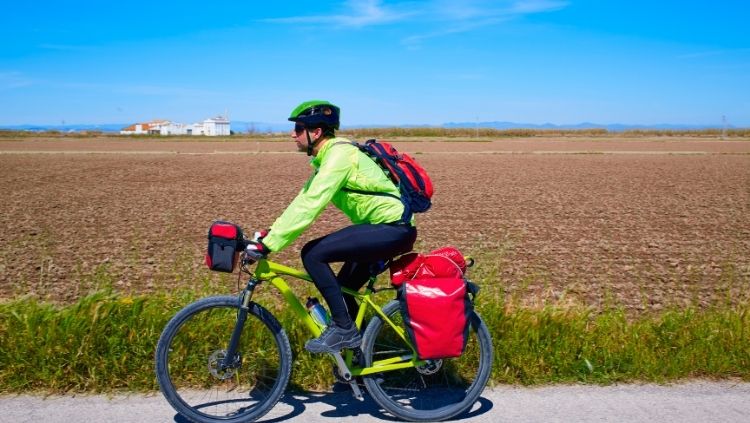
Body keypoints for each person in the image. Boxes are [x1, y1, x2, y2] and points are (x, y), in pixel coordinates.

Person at [245, 100, 417, 354]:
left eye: (299, 128)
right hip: (385, 228)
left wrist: (269, 246)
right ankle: (362, 359)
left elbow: (312, 204)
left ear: (316, 133)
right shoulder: (327, 159)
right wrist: (270, 234)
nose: (293, 134)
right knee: (344, 292)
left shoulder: (339, 155)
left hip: (392, 228)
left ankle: (344, 330)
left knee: (312, 253)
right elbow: (302, 200)